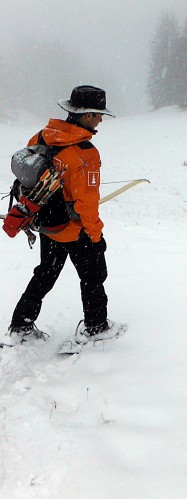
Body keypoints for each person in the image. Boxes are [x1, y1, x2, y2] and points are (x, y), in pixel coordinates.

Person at [1, 85, 124, 348]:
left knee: (46, 272)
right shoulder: (85, 152)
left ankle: (21, 324)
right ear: (87, 115)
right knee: (93, 276)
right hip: (75, 229)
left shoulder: (41, 137)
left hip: (47, 224)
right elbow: (87, 203)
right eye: (98, 114)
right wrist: (95, 236)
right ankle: (96, 327)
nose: (101, 119)